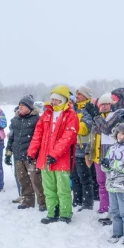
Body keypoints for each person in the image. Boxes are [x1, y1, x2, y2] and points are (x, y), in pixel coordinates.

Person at [28, 85, 78, 224]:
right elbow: (38, 134)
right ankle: (52, 212)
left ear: (64, 100)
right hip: (45, 158)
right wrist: (32, 152)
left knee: (63, 188)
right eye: (53, 100)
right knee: (49, 188)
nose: (54, 102)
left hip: (61, 159)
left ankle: (65, 213)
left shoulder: (70, 115)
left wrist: (55, 153)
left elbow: (69, 136)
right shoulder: (46, 114)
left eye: (57, 100)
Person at [89, 92, 124, 224]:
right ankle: (103, 208)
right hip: (99, 155)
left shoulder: (116, 115)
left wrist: (96, 117)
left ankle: (114, 210)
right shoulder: (98, 118)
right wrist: (90, 153)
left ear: (111, 105)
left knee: (112, 183)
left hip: (111, 156)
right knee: (101, 183)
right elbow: (93, 137)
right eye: (101, 104)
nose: (104, 107)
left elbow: (107, 128)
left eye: (106, 104)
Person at [5, 95, 46, 210]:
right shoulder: (15, 120)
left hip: (31, 156)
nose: (20, 107)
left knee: (36, 179)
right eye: (19, 105)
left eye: (23, 105)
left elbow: (40, 138)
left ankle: (43, 202)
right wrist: (8, 152)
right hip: (18, 155)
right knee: (23, 179)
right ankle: (27, 201)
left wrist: (36, 153)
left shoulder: (37, 119)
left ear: (29, 107)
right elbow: (11, 138)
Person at [72, 86, 95, 211]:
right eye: (76, 95)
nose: (77, 97)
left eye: (79, 95)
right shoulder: (76, 109)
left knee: (85, 178)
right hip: (74, 148)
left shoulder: (88, 109)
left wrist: (72, 124)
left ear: (86, 96)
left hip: (84, 149)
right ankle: (77, 200)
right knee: (75, 177)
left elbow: (85, 128)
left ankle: (87, 204)